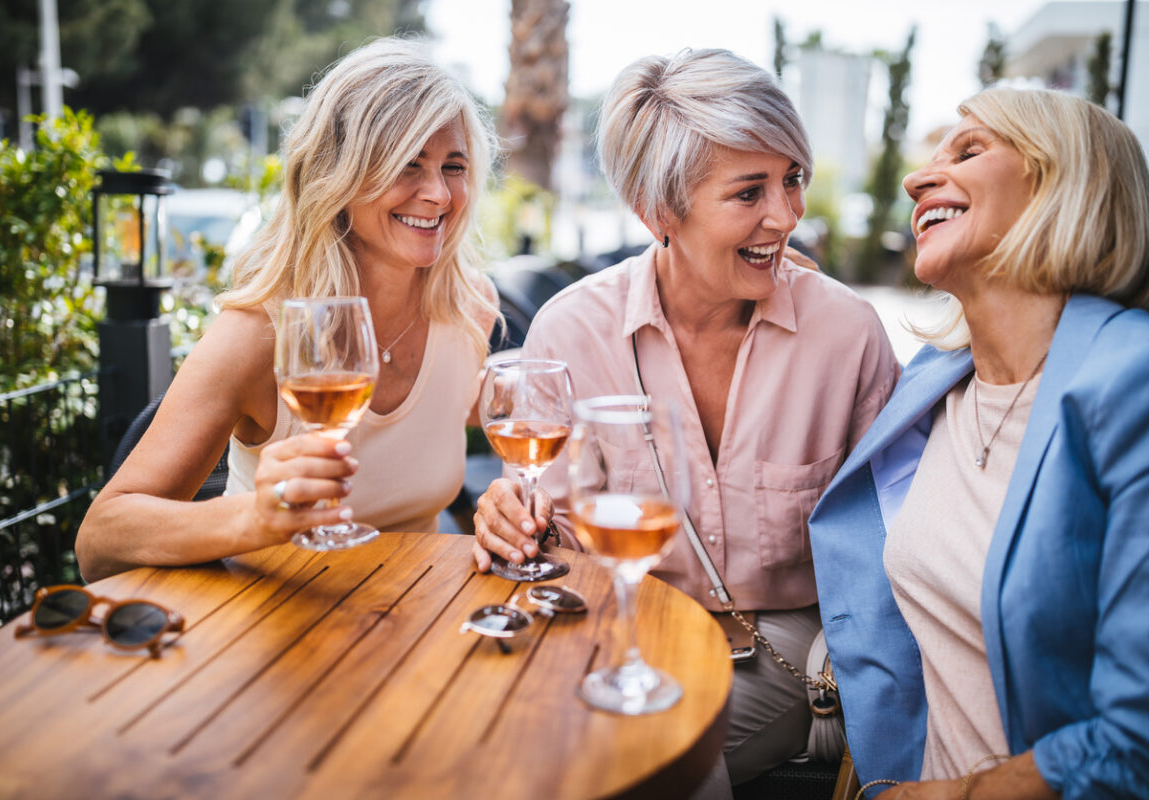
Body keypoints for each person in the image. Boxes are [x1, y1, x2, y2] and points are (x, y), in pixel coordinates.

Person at [470, 48, 900, 792]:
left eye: (791, 179)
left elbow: (896, 544)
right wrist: (510, 515)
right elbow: (546, 522)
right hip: (618, 619)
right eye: (749, 192)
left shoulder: (848, 336)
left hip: (782, 641)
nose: (787, 215)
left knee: (636, 748)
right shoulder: (572, 332)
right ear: (657, 210)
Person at [808, 88, 1149, 800]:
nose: (916, 180)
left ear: (1066, 182)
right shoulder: (935, 385)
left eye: (969, 151)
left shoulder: (1132, 384)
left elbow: (1135, 739)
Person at [77, 37, 499, 582]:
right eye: (408, 164)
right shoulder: (259, 333)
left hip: (412, 633)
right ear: (340, 175)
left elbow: (452, 422)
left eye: (454, 166)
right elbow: (100, 540)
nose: (439, 194)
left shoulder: (470, 309)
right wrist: (254, 518)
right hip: (265, 635)